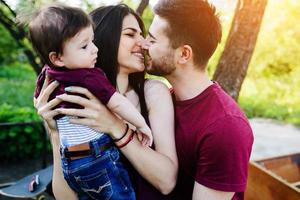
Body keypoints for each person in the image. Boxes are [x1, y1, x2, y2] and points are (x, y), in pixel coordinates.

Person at [34, 4, 177, 200]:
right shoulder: (73, 99)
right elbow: (66, 197)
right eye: (130, 34)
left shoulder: (153, 92)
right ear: (103, 36)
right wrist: (55, 134)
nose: (143, 43)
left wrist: (115, 126)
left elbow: (167, 181)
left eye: (141, 34)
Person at [142, 0, 254, 199]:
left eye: (152, 40)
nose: (143, 44)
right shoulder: (163, 99)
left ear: (184, 54)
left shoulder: (225, 127)